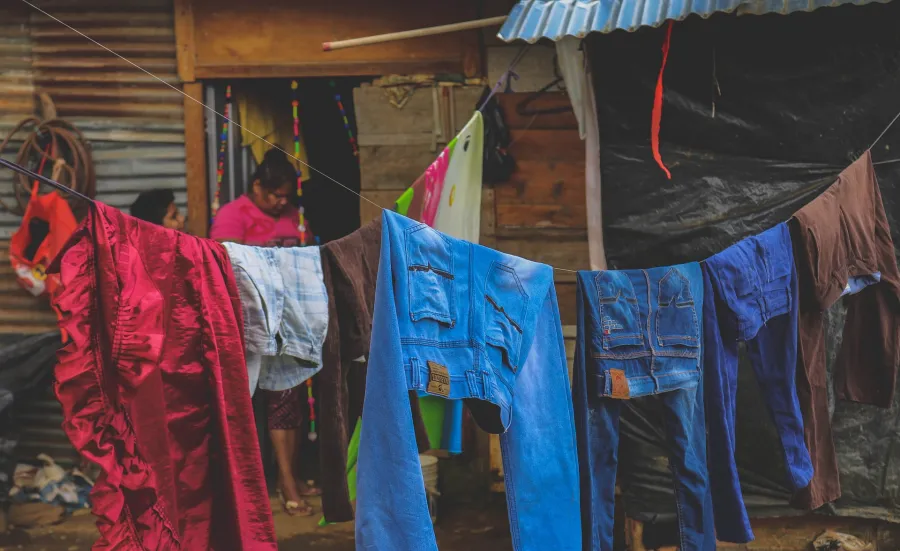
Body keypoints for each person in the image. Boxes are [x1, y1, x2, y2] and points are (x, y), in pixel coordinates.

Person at [209, 148, 319, 516]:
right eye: (275, 194)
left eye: (286, 195)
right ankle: (285, 481)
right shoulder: (231, 217)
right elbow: (222, 266)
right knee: (277, 400)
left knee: (293, 397)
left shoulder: (293, 215)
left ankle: (294, 475)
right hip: (252, 325)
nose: (281, 202)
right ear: (257, 186)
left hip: (292, 320)